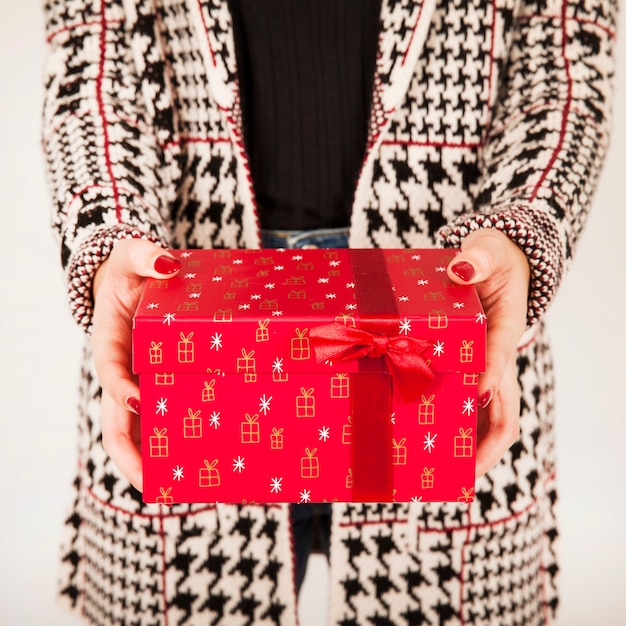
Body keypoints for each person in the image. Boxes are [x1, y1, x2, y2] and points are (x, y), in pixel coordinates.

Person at [42, 0, 617, 624]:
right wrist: (108, 234)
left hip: (447, 321)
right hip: (190, 329)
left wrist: (523, 229)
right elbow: (91, 66)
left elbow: (564, 70)